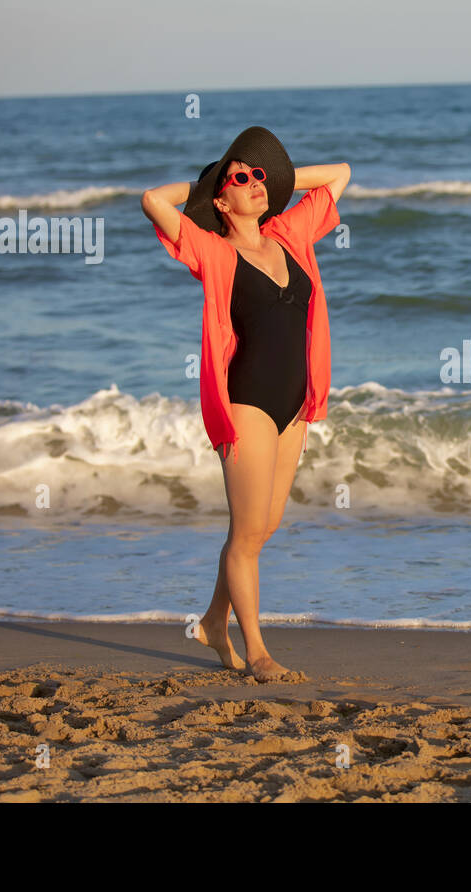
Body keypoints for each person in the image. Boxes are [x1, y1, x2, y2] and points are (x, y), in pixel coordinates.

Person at [141, 126, 350, 682]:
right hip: (247, 400)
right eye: (243, 178)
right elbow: (152, 201)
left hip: (294, 402)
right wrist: (210, 179)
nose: (256, 184)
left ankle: (214, 621)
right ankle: (256, 652)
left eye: (262, 177)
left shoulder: (289, 234)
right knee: (246, 531)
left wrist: (273, 179)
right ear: (220, 199)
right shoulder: (212, 251)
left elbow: (339, 175)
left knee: (264, 528)